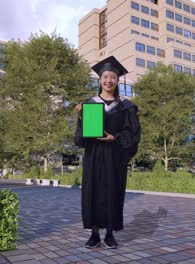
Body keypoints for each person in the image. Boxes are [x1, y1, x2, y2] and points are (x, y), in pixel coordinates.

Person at [74, 56, 141, 249]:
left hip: (115, 158)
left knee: (113, 193)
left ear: (118, 80)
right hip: (94, 157)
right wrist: (81, 117)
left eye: (113, 76)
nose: (109, 80)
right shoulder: (90, 104)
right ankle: (94, 234)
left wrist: (116, 138)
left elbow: (133, 133)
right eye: (105, 76)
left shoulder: (126, 107)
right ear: (99, 79)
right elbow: (81, 138)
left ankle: (110, 234)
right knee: (92, 192)